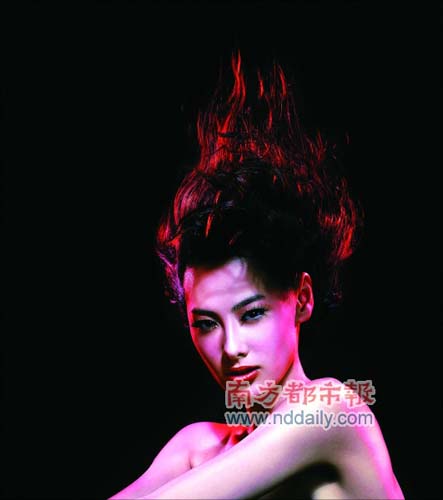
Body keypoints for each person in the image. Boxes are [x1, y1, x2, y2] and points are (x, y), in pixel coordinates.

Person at [109, 51, 404, 499]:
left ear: (302, 299)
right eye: (206, 323)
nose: (231, 348)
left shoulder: (333, 411)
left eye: (252, 314)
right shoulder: (197, 448)